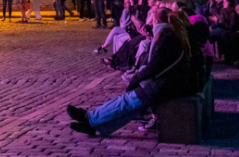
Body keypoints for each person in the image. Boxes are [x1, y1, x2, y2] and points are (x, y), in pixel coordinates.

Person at [67, 8, 199, 137]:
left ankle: (89, 118)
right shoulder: (175, 36)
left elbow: (154, 66)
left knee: (126, 101)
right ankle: (95, 125)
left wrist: (136, 79)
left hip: (166, 86)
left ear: (157, 20)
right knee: (132, 106)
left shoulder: (167, 38)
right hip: (170, 84)